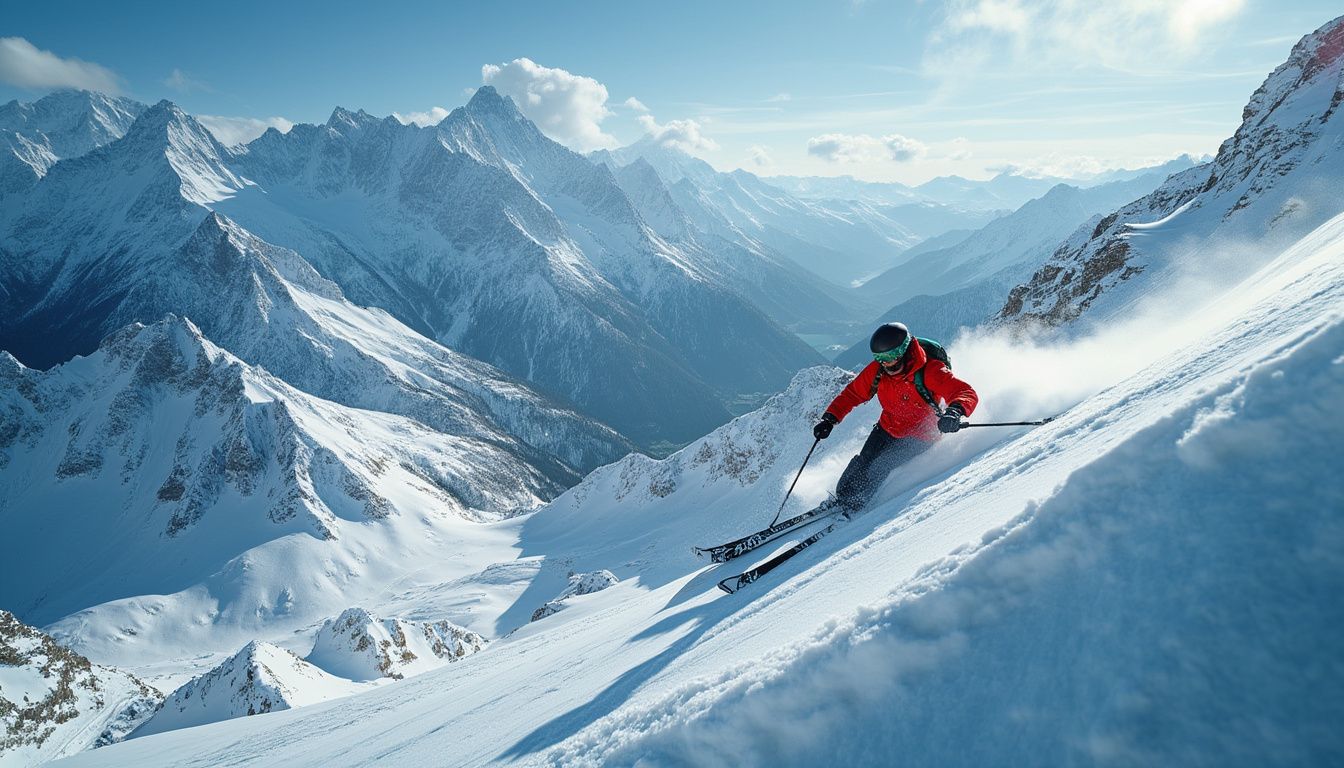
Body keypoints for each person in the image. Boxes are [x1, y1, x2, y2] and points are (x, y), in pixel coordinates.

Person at [811, 322, 978, 514]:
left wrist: (954, 411)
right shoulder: (878, 370)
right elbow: (853, 394)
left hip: (921, 434)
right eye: (880, 358)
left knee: (881, 465)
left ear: (904, 351)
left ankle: (855, 506)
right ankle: (842, 497)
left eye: (890, 357)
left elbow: (965, 392)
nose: (885, 363)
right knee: (863, 460)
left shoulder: (930, 371)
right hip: (888, 426)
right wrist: (830, 419)